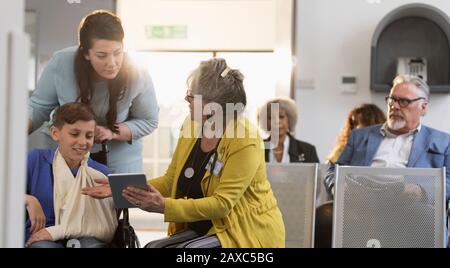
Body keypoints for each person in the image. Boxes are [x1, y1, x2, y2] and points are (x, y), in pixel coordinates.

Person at [82, 58, 285, 248]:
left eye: (191, 96)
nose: (185, 99)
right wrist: (121, 189)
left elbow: (222, 204)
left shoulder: (245, 139)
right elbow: (172, 181)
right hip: (204, 228)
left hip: (243, 232)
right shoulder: (192, 126)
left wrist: (163, 206)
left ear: (213, 106)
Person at [28, 10, 159, 173]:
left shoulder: (137, 71)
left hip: (120, 159)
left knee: (120, 198)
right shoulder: (61, 62)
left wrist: (111, 132)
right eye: (101, 55)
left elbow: (149, 120)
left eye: (117, 53)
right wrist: (11, 133)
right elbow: (38, 108)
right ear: (85, 53)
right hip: (68, 156)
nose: (112, 63)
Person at [324, 74, 450, 199]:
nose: (394, 106)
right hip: (362, 205)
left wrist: (422, 191)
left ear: (423, 107)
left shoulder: (443, 142)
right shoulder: (359, 136)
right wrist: (338, 187)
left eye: (403, 101)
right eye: (392, 100)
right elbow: (334, 170)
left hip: (412, 209)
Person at [25, 102, 117, 248]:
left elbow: (105, 222)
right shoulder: (36, 160)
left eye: (89, 136)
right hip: (40, 236)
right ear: (55, 133)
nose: (82, 142)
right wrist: (28, 199)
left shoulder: (101, 173)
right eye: (74, 134)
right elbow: (5, 192)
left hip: (85, 237)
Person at [259, 98, 319, 163]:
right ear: (265, 121)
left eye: (281, 117)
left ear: (289, 120)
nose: (277, 121)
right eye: (271, 117)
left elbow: (317, 173)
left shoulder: (308, 150)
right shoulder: (256, 148)